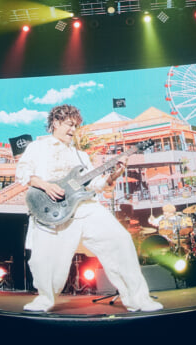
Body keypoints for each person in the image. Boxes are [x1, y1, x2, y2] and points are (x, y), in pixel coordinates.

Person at [15, 103, 163, 313]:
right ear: (55, 122)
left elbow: (94, 184)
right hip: (51, 210)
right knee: (45, 261)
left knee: (120, 240)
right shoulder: (38, 147)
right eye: (69, 124)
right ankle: (44, 299)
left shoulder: (81, 156)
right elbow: (22, 172)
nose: (73, 130)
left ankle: (138, 299)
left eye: (76, 126)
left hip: (84, 208)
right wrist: (46, 185)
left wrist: (115, 173)